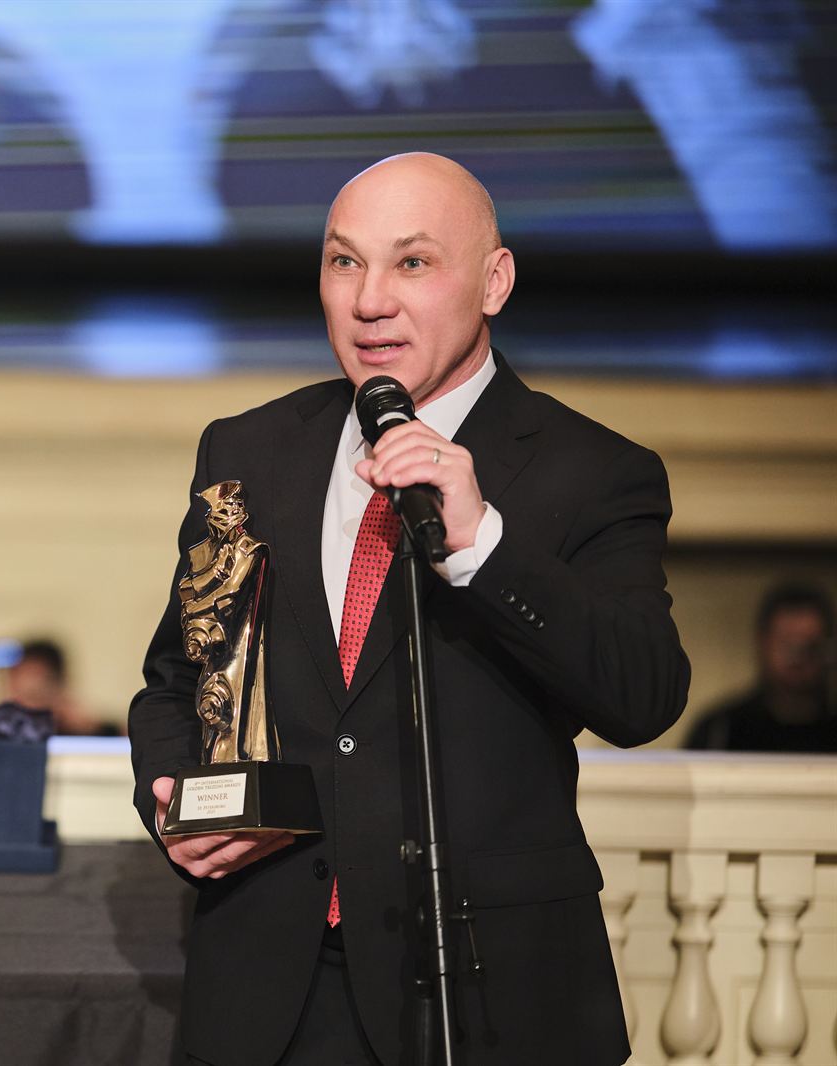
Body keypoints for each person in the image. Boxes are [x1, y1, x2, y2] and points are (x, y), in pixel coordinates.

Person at [128, 153, 690, 1066]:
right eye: (344, 262)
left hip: (488, 989)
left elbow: (644, 695)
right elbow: (175, 681)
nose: (369, 301)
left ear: (494, 281)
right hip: (269, 987)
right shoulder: (249, 449)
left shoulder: (594, 471)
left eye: (413, 263)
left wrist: (481, 542)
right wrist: (173, 802)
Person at [685, 583, 836, 752]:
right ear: (763, 644)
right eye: (787, 644)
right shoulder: (720, 730)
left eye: (810, 645)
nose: (798, 658)